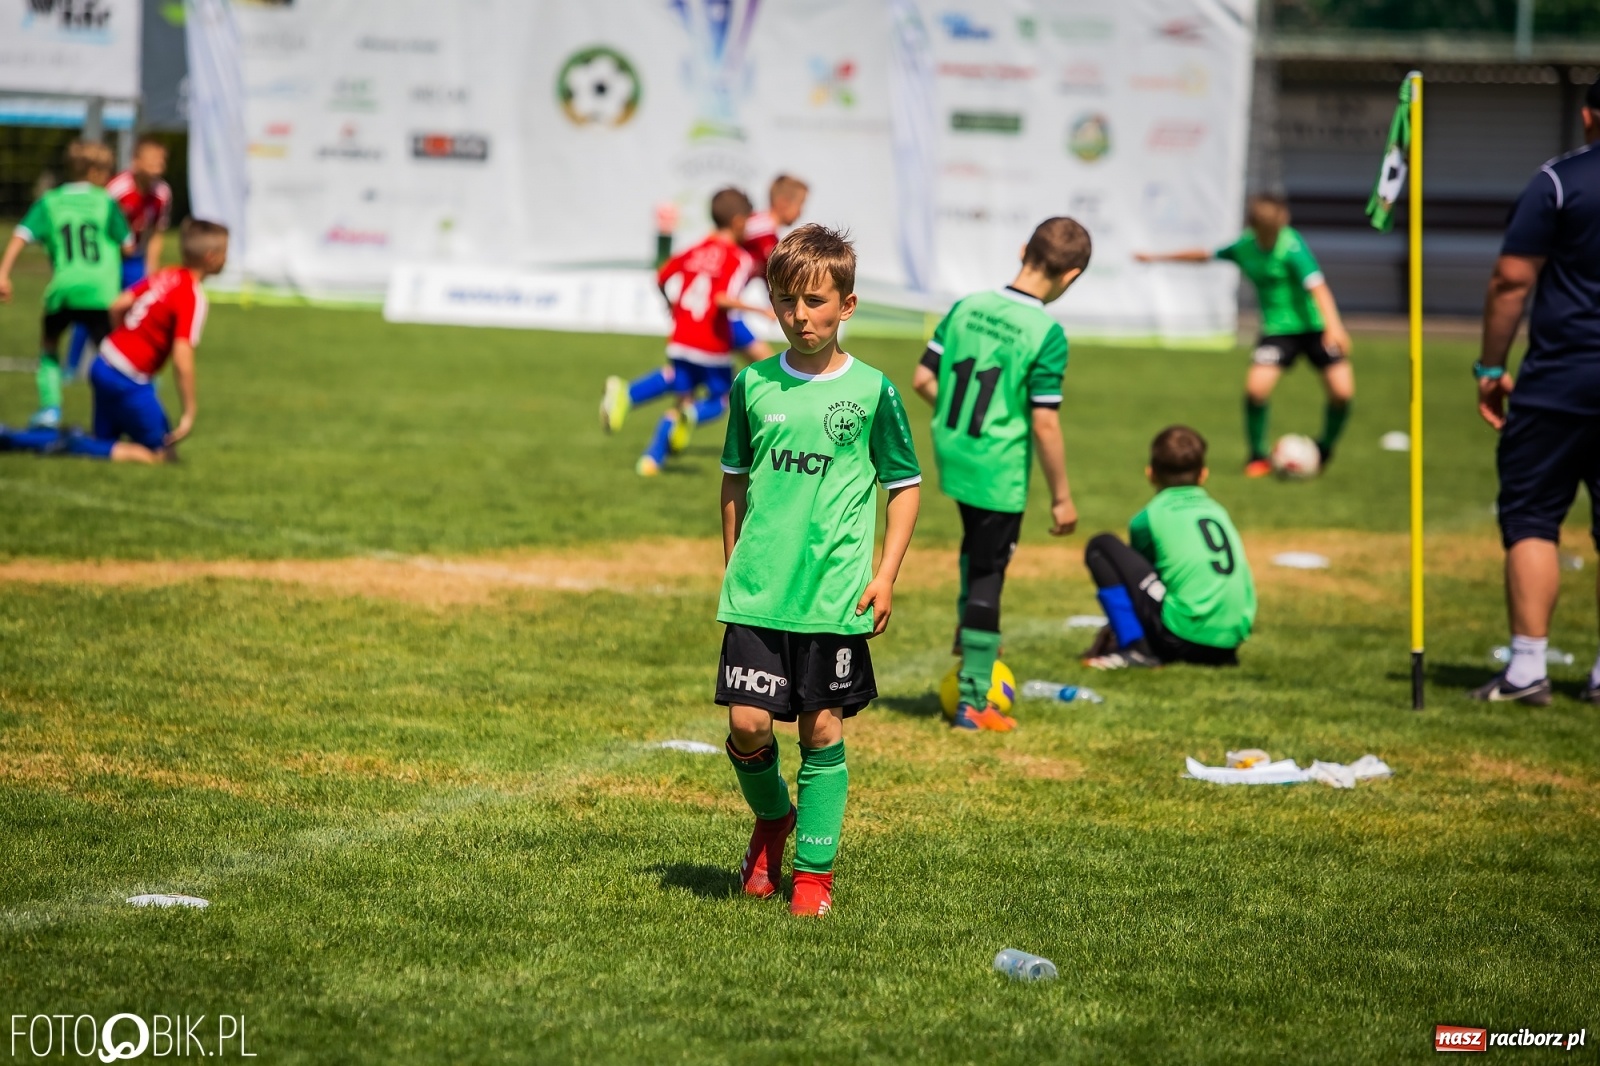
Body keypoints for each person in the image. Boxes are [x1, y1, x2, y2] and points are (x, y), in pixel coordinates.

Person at [716, 224, 921, 917]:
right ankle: (774, 818)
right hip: (759, 592)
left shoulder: (871, 392)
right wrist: (734, 568)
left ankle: (813, 877)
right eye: (785, 302)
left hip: (832, 594)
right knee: (748, 725)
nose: (800, 316)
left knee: (821, 731)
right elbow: (734, 481)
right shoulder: (752, 386)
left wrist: (886, 573)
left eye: (815, 301)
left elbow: (906, 484)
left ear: (847, 305)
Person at [911, 217, 1089, 731]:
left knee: (976, 550)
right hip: (997, 469)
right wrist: (1061, 497)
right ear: (1071, 276)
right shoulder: (1047, 333)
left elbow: (923, 377)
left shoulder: (968, 306)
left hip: (955, 451)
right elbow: (1045, 422)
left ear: (1022, 250)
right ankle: (972, 700)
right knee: (991, 570)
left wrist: (963, 420)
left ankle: (970, 634)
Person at [1471, 79, 1600, 706]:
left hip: (1563, 377)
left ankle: (1526, 670)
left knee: (1532, 517)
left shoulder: (1558, 181)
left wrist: (1489, 369)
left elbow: (1510, 281)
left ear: (1587, 116)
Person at [1136, 194, 1354, 476]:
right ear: (1254, 225)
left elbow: (1318, 287)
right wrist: (1157, 257)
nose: (1272, 232)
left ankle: (1324, 449)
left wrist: (1334, 327)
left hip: (1316, 328)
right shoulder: (1245, 247)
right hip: (1278, 331)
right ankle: (1257, 456)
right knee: (1255, 390)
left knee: (1342, 393)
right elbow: (1205, 255)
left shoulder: (1292, 245)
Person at [1, 220, 228, 464]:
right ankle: (70, 442)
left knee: (102, 442)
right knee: (162, 454)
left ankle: (13, 438)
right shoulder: (192, 295)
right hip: (128, 378)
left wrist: (124, 337)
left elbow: (118, 304)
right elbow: (182, 358)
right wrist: (189, 413)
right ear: (211, 257)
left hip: (104, 360)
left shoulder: (167, 274)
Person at [599, 187, 776, 476]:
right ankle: (686, 415)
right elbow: (720, 298)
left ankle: (650, 456)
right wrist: (760, 310)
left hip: (682, 336)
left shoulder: (696, 248)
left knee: (679, 390)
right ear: (739, 222)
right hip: (711, 343)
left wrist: (670, 304)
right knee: (720, 401)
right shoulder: (738, 258)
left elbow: (661, 275)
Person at [1081, 426, 1256, 669]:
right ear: (1203, 474)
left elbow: (1137, 585)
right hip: (1230, 642)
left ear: (1150, 474)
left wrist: (1114, 629)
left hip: (1182, 638)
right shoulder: (1218, 511)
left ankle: (1136, 649)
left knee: (1101, 546)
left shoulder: (1149, 517)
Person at [0, 140, 131, 429]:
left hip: (64, 290)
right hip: (101, 293)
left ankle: (50, 409)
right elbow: (128, 245)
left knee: (49, 347)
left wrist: (3, 273)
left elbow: (21, 234)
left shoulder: (51, 200)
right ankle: (114, 414)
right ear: (98, 171)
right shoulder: (106, 202)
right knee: (111, 358)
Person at [64, 136, 173, 379]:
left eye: (162, 160)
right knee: (93, 309)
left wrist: (151, 267)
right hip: (108, 259)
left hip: (135, 260)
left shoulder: (162, 193)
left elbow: (157, 233)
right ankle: (71, 367)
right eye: (153, 159)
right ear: (136, 161)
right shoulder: (117, 189)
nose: (159, 165)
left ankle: (134, 366)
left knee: (139, 312)